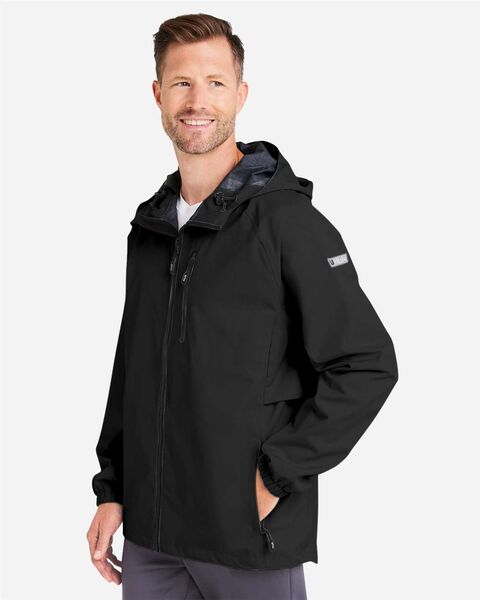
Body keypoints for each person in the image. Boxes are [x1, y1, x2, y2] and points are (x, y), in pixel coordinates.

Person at [86, 12, 399, 600]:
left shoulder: (287, 223)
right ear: (158, 94)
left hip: (244, 538)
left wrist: (276, 474)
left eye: (215, 82)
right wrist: (114, 490)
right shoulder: (150, 229)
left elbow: (366, 363)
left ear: (241, 94)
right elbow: (133, 369)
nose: (197, 100)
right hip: (152, 539)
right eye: (181, 82)